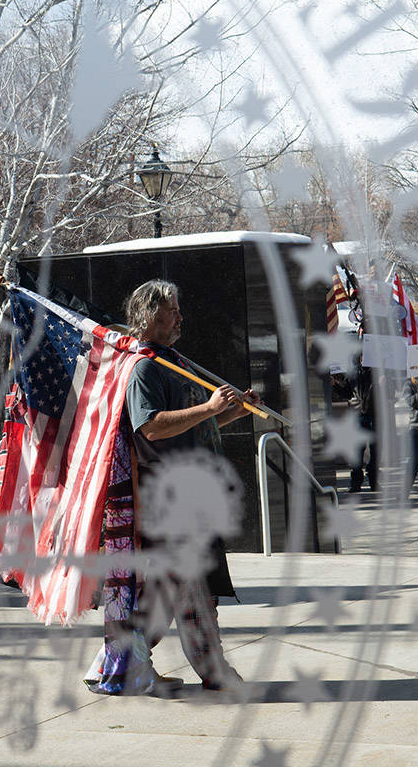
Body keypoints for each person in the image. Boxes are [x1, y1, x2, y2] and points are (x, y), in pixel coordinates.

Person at [84, 279, 258, 696]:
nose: (180, 317)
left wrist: (229, 413)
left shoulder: (170, 360)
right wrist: (209, 407)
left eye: (178, 310)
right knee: (175, 587)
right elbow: (151, 426)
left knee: (184, 586)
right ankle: (119, 668)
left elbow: (193, 427)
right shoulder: (144, 366)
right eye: (171, 311)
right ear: (148, 316)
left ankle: (181, 669)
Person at [349, 354, 377, 493]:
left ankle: (374, 481)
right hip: (358, 415)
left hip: (375, 415)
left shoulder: (379, 372)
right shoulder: (354, 372)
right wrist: (335, 385)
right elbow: (348, 392)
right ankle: (355, 483)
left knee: (375, 451)